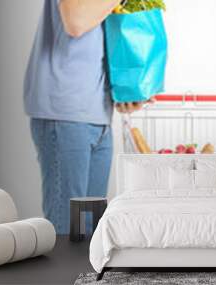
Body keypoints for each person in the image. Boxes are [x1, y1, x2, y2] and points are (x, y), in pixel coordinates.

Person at [24, 0, 150, 234]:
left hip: (99, 114)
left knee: (92, 230)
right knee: (68, 229)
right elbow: (76, 22)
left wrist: (126, 91)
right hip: (65, 112)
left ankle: (85, 273)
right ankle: (62, 273)